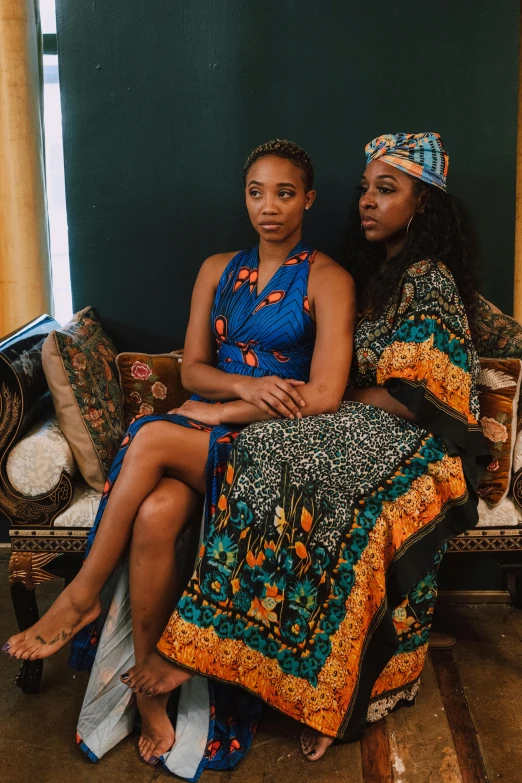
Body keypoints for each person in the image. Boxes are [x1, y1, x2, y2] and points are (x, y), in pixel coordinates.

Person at [119, 132, 490, 763]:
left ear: (423, 204)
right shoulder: (371, 271)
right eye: (365, 190)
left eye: (387, 190)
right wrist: (307, 397)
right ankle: (271, 670)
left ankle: (328, 688)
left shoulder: (429, 278)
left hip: (417, 446)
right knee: (274, 463)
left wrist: (331, 396)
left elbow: (418, 393)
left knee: (345, 508)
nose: (368, 203)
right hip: (353, 428)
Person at [3, 140, 355, 774]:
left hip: (279, 446)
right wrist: (242, 386)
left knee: (151, 432)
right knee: (158, 511)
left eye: (283, 193)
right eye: (255, 192)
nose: (268, 207)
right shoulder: (217, 269)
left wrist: (223, 408)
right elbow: (193, 366)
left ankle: (82, 594)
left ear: (308, 198)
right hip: (210, 437)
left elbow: (326, 396)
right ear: (243, 196)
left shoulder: (329, 278)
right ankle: (151, 695)